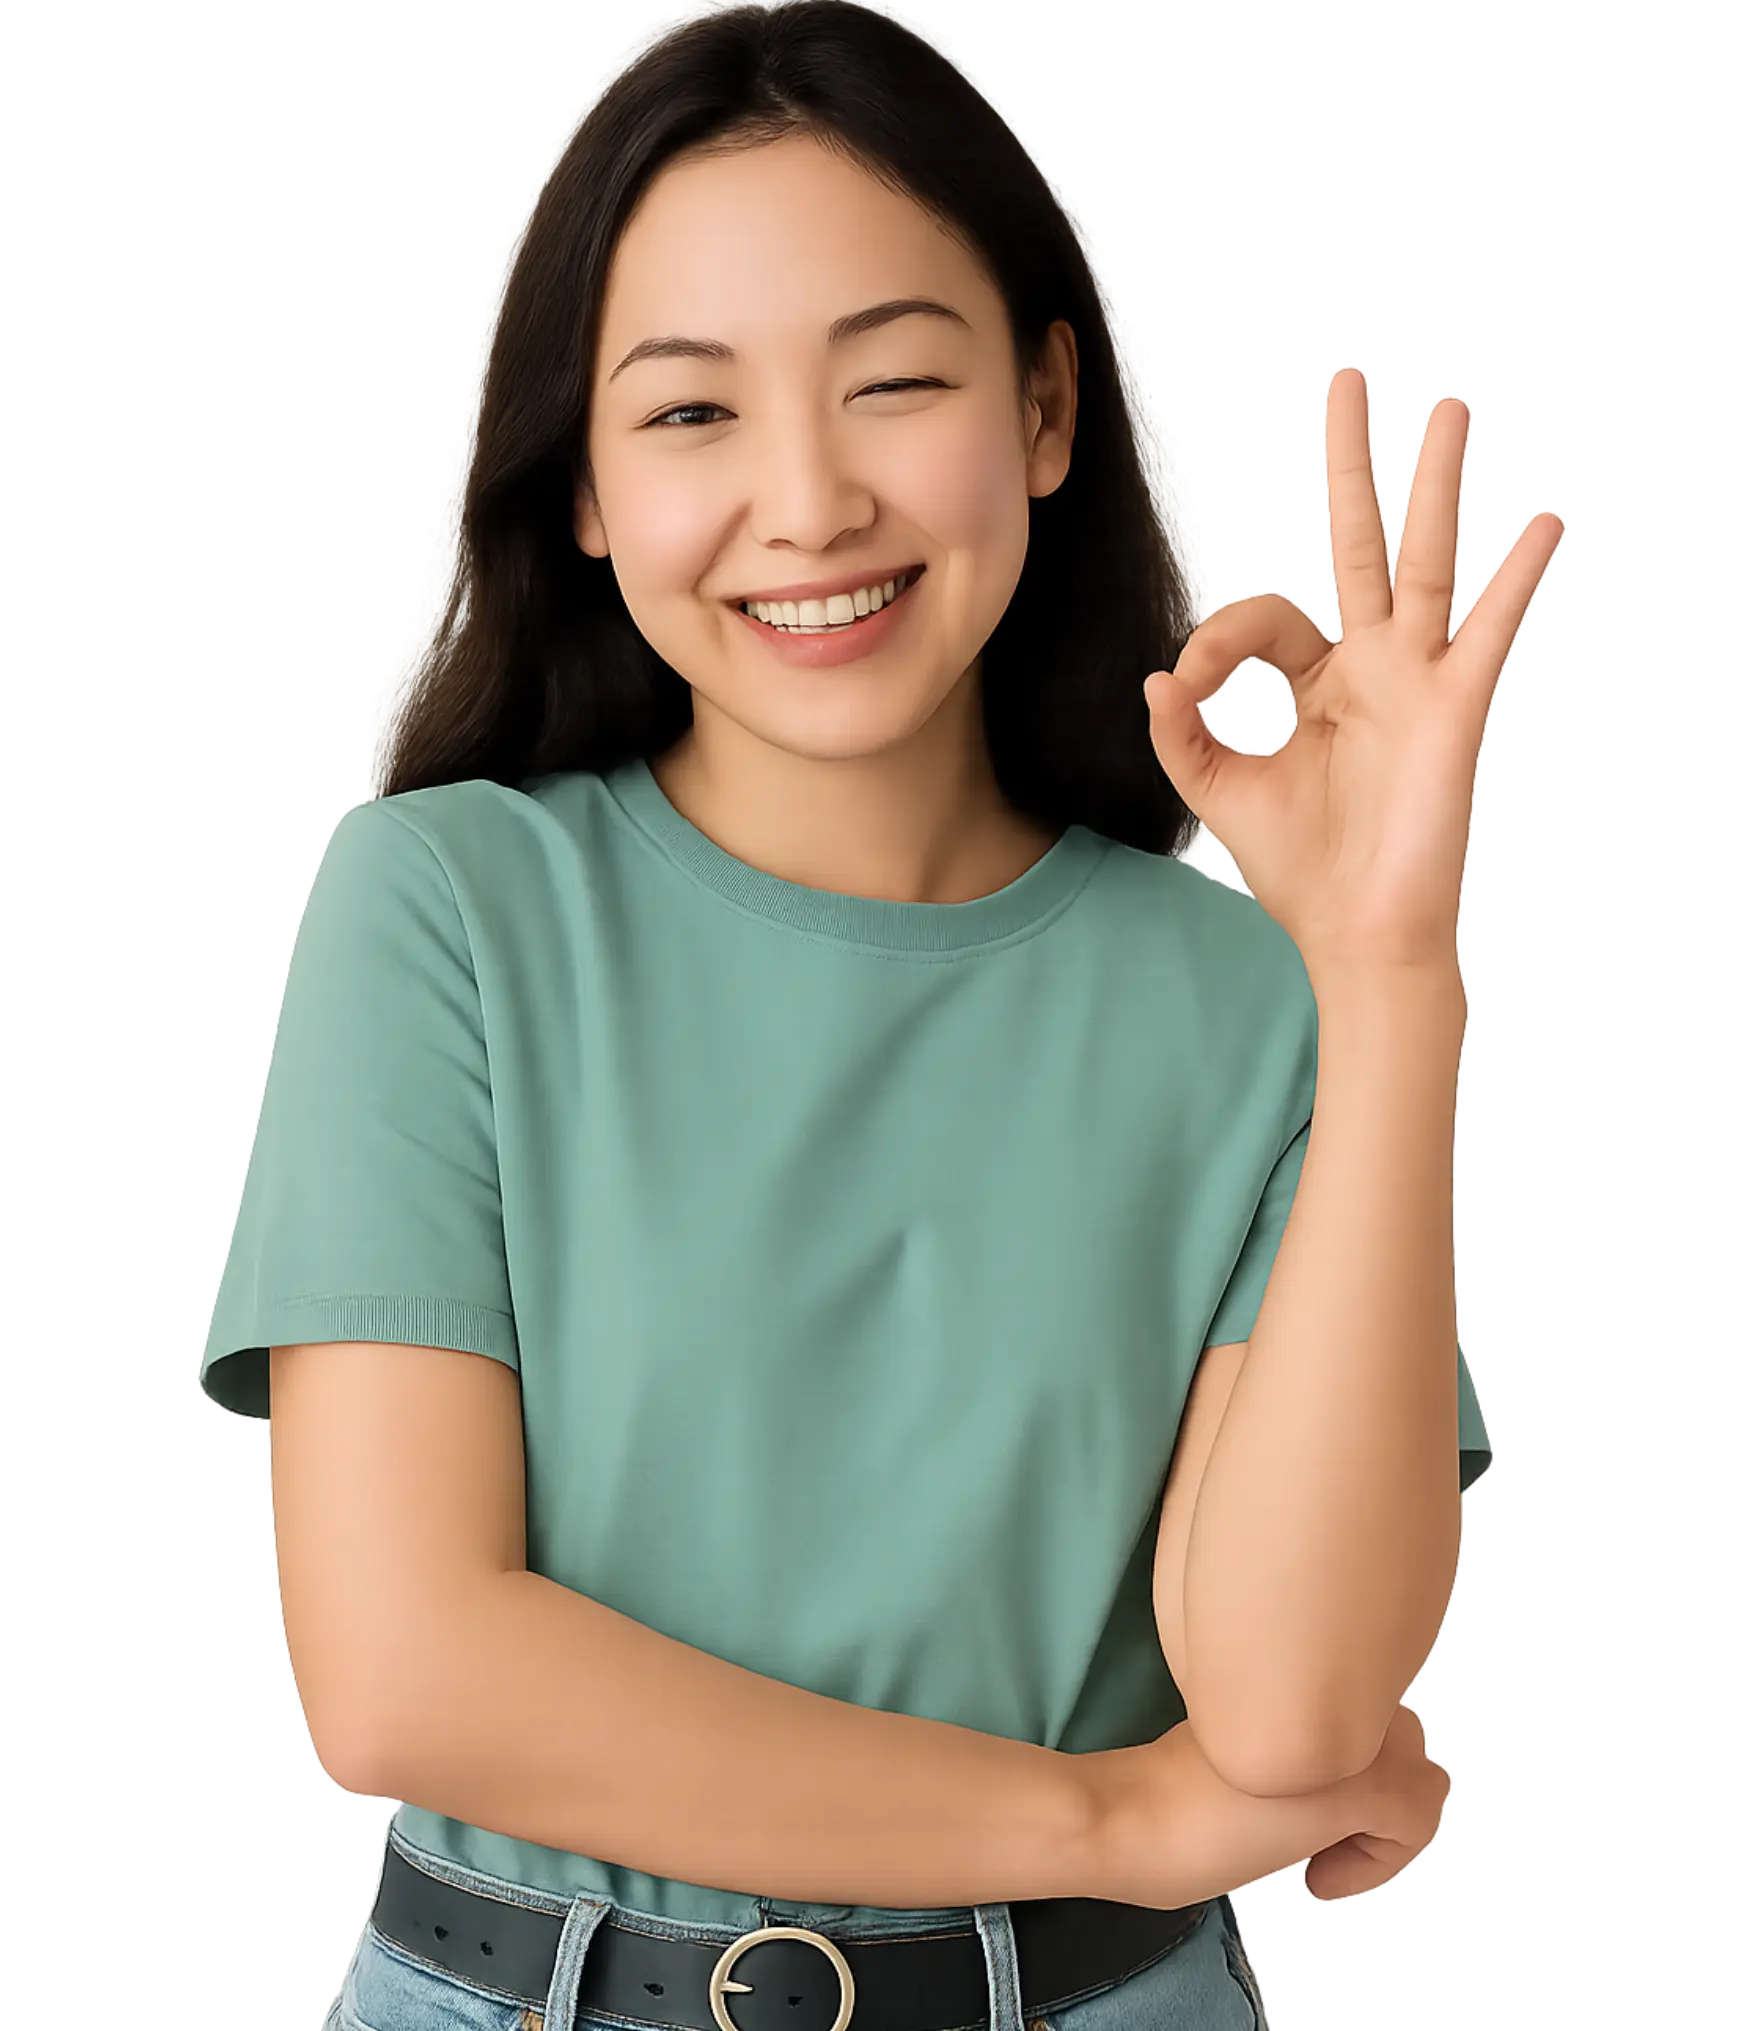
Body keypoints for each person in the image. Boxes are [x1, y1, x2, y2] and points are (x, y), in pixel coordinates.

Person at [200, 5, 1497, 2027]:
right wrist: (1114, 1820)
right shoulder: (443, 901)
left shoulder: (1252, 998)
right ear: (583, 487)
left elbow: (1295, 1703)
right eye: (688, 413)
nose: (805, 504)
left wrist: (1393, 970)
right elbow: (404, 1676)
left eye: (893, 382)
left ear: (1045, 410)